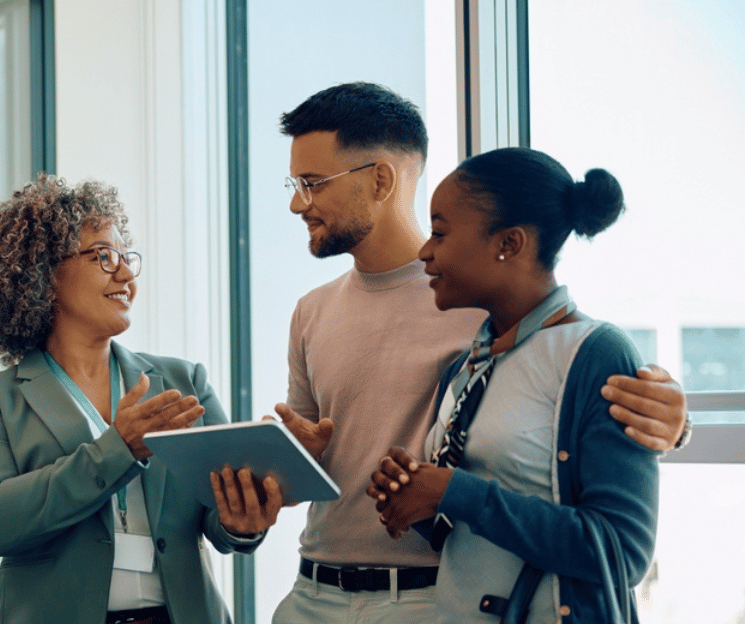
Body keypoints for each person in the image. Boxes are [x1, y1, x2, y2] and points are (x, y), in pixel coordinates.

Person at [268, 82, 687, 624]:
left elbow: (577, 377)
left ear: (379, 179)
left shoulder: (484, 307)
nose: (298, 202)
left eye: (313, 183)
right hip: (316, 593)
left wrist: (677, 425)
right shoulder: (322, 313)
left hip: (431, 599)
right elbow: (456, 492)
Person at [0, 175, 282, 624]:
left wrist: (242, 523)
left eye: (127, 259)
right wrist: (117, 450)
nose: (125, 274)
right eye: (104, 256)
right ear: (44, 274)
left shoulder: (183, 381)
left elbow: (217, 519)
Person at [368, 147, 658, 623]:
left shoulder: (595, 354)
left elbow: (621, 554)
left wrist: (453, 491)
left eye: (440, 232)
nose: (424, 250)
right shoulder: (467, 366)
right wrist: (417, 498)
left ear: (510, 243)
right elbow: (470, 537)